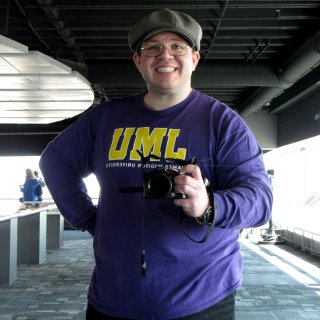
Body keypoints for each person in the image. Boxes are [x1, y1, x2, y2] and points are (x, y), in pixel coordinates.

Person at [39, 8, 273, 320]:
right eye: (153, 47)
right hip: (113, 297)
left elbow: (261, 201)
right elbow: (55, 162)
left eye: (178, 46)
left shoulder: (222, 122)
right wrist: (90, 220)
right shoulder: (106, 118)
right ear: (138, 60)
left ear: (195, 59)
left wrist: (209, 205)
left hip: (201, 300)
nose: (166, 55)